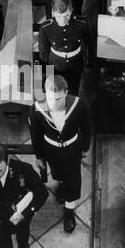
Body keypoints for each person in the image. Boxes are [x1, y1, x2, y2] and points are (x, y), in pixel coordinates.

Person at [28, 75, 91, 233]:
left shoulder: (78, 104)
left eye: (59, 99)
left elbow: (86, 127)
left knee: (73, 179)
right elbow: (35, 135)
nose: (54, 103)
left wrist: (85, 148)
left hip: (72, 149)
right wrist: (39, 157)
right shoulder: (36, 109)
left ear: (66, 92)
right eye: (50, 98)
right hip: (51, 149)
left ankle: (69, 211)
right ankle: (62, 186)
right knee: (58, 174)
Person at [38, 0, 93, 96]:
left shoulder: (82, 23)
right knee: (54, 93)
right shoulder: (46, 28)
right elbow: (43, 52)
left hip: (75, 64)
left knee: (73, 91)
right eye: (59, 16)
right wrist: (46, 72)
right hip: (54, 65)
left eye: (66, 16)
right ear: (53, 12)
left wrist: (89, 63)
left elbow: (90, 43)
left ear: (71, 11)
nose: (63, 20)